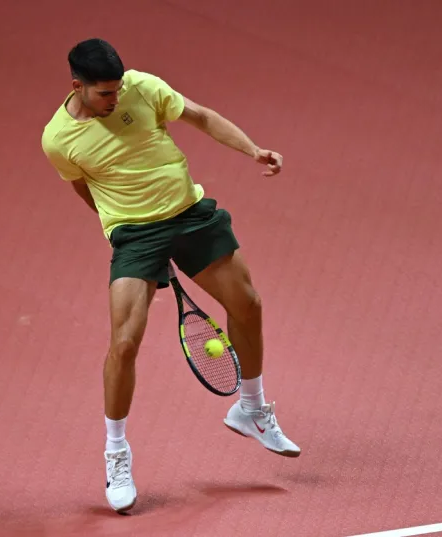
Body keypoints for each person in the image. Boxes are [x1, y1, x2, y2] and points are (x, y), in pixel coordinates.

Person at [41, 38, 301, 513]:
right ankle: (116, 451)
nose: (115, 99)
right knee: (124, 342)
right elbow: (86, 189)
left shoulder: (142, 88)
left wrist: (252, 150)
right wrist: (119, 230)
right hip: (137, 238)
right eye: (104, 94)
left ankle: (251, 408)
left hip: (189, 216)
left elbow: (199, 116)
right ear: (76, 86)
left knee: (248, 303)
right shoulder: (59, 139)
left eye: (117, 90)